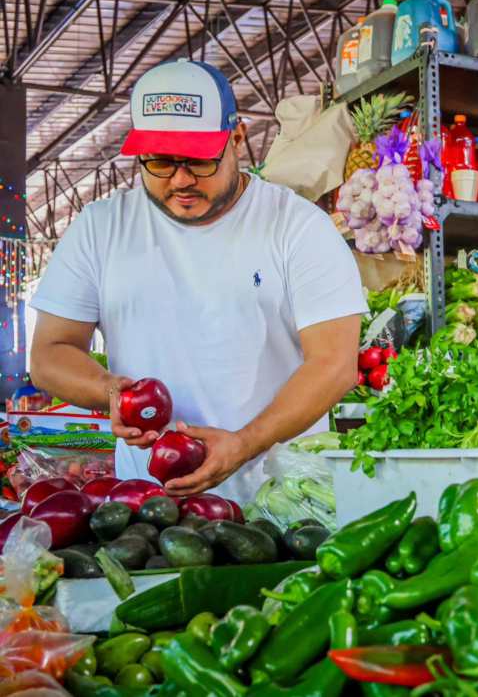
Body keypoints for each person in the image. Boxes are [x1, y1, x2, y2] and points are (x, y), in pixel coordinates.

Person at [29, 59, 366, 503]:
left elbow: (335, 364)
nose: (182, 180)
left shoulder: (297, 226)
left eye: (199, 162)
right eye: (161, 163)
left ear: (238, 139)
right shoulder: (101, 228)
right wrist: (111, 393)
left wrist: (244, 444)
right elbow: (50, 353)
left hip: (285, 501)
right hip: (152, 506)